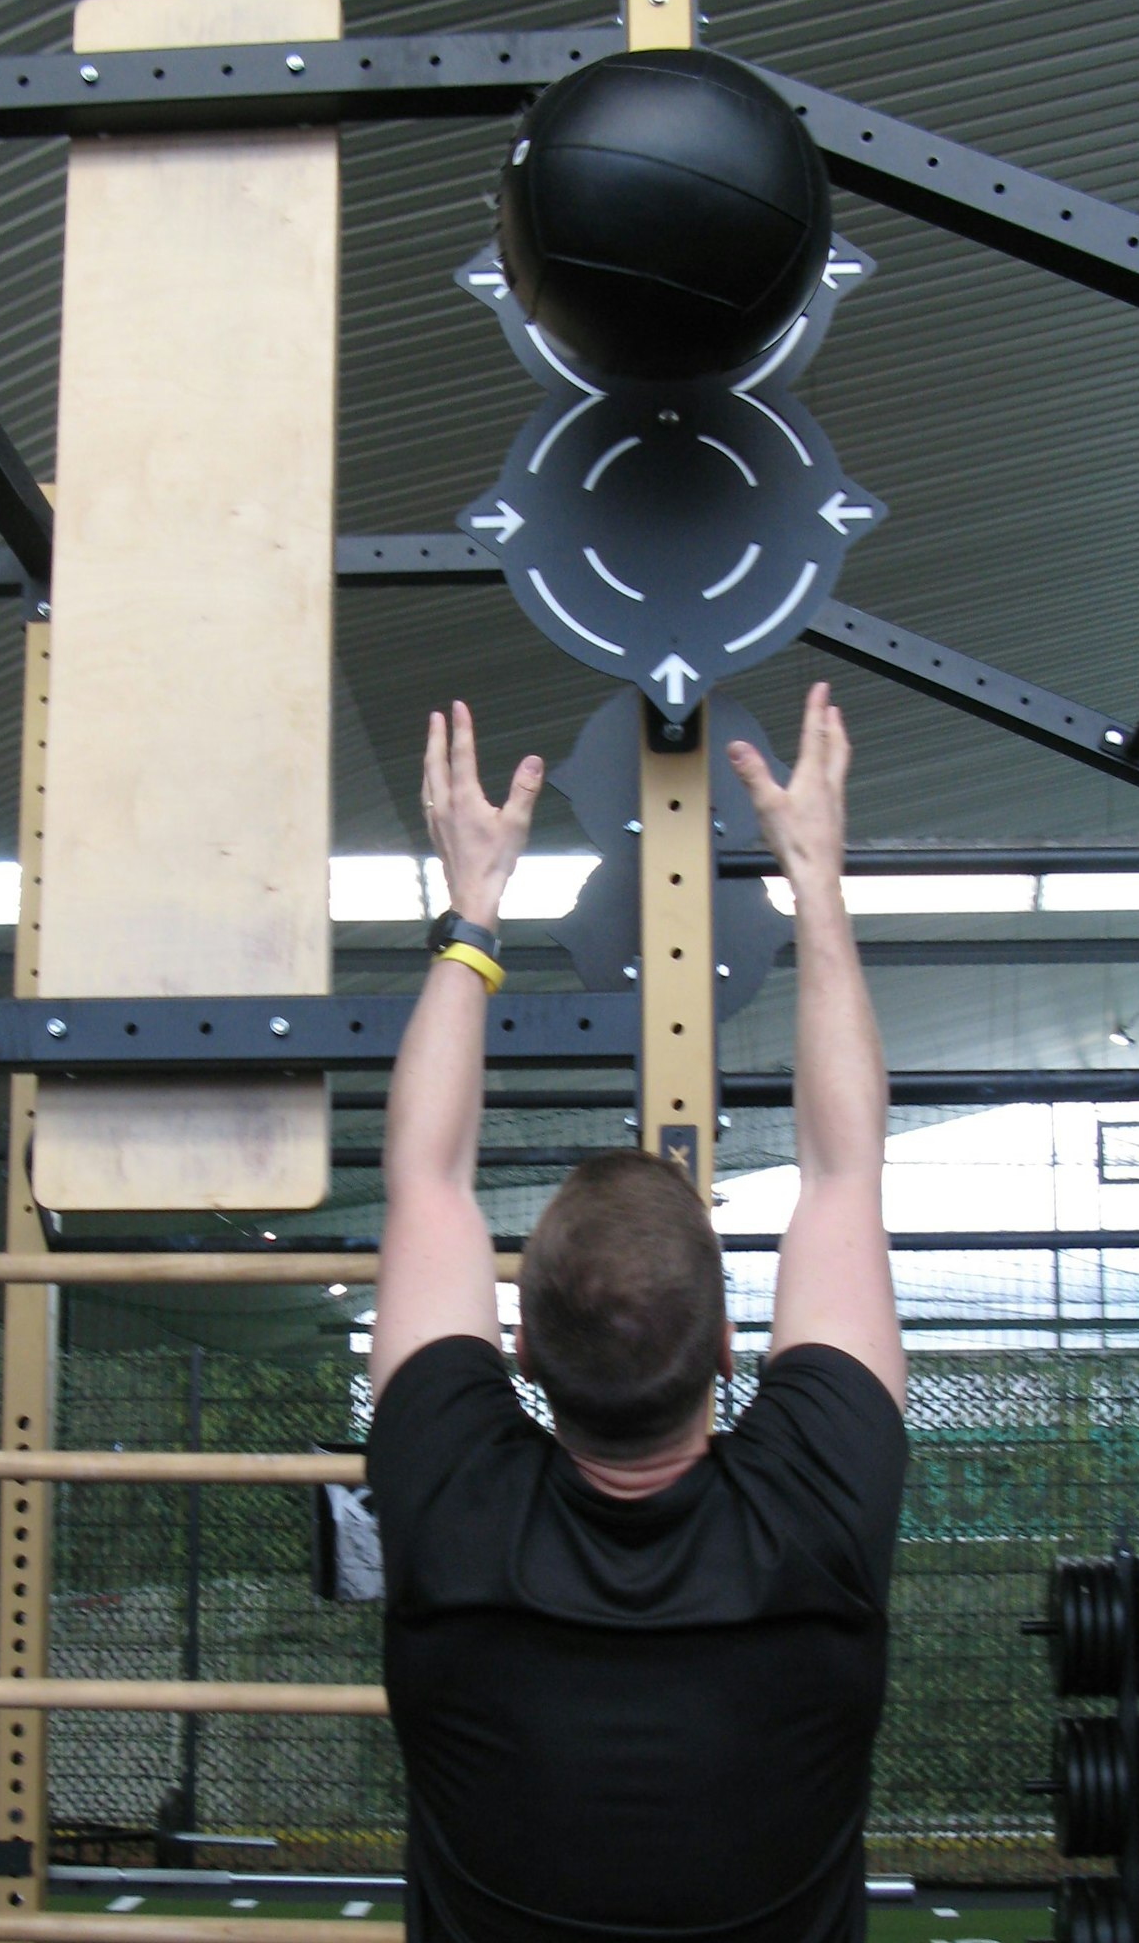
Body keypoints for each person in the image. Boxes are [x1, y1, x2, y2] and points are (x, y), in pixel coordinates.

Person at [366, 684, 907, 1943]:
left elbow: (422, 1175)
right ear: (729, 1347)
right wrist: (812, 881)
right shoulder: (816, 1512)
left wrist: (471, 916)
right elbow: (843, 1167)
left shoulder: (453, 1504)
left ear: (515, 1351)